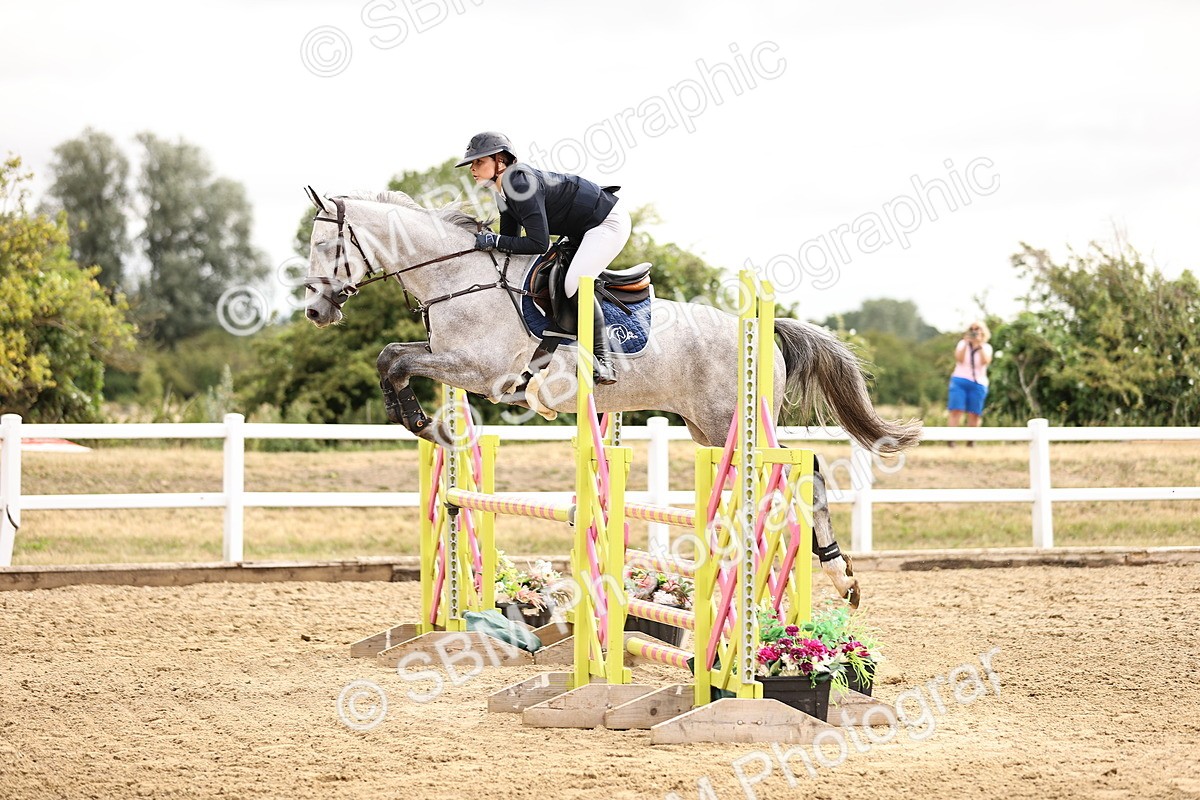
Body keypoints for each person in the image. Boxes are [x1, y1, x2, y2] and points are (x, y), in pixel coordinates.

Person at [455, 131, 631, 384]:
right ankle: (538, 366)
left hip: (605, 222)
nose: (472, 168)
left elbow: (538, 243)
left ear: (501, 161)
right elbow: (510, 240)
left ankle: (604, 362)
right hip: (582, 229)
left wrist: (494, 241)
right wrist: (492, 244)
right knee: (551, 279)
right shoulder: (503, 191)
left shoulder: (519, 182)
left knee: (574, 282)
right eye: (472, 163)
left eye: (479, 161)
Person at [947, 321, 994, 446]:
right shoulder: (962, 344)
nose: (974, 331)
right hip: (960, 379)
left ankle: (971, 441)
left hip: (978, 382)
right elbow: (959, 359)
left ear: (982, 331)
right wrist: (967, 344)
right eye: (971, 329)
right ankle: (951, 440)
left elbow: (986, 362)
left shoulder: (986, 347)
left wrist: (978, 345)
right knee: (956, 410)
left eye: (977, 329)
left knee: (975, 413)